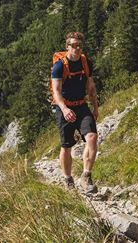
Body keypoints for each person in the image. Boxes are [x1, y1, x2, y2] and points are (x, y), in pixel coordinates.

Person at [50, 31, 100, 193]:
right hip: (65, 107)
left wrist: (95, 106)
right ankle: (67, 178)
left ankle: (86, 176)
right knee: (66, 146)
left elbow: (90, 87)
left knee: (92, 137)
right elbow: (56, 92)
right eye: (73, 45)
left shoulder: (86, 63)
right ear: (67, 47)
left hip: (81, 105)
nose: (76, 49)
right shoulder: (59, 66)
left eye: (79, 45)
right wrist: (64, 109)